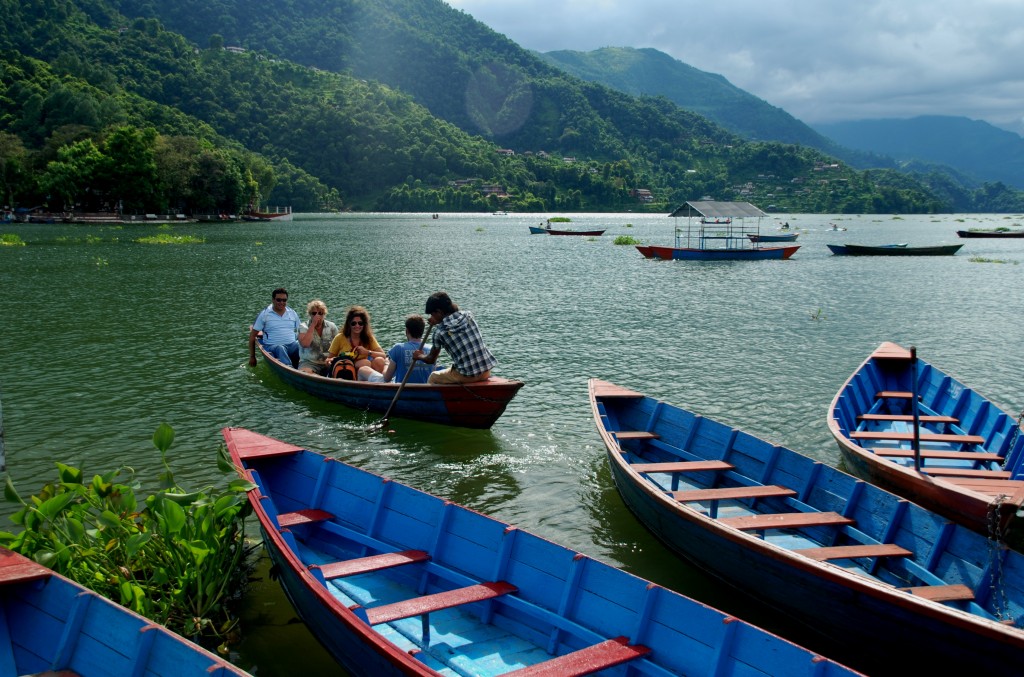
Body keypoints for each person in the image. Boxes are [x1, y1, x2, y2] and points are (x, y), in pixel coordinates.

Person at [414, 291, 496, 385]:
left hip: (467, 376)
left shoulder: (439, 332)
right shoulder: (468, 315)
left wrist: (419, 356)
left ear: (439, 312)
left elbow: (431, 360)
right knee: (451, 369)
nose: (431, 317)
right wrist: (438, 320)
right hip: (486, 371)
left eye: (432, 314)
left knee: (433, 377)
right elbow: (454, 313)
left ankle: (434, 399)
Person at [358, 314, 440, 383]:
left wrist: (386, 363)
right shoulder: (431, 349)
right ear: (422, 331)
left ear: (407, 331)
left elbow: (387, 378)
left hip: (400, 390)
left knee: (363, 369)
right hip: (424, 390)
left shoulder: (398, 348)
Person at [327, 305, 387, 375]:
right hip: (346, 370)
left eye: (360, 323)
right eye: (353, 323)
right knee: (365, 362)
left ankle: (378, 383)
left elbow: (383, 355)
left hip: (365, 371)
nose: (357, 326)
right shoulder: (340, 337)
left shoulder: (368, 338)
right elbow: (329, 359)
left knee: (379, 360)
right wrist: (330, 361)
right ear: (349, 324)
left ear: (364, 325)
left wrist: (367, 352)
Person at [248, 288, 300, 368]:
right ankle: (289, 368)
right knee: (280, 348)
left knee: (301, 344)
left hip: (291, 345)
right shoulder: (265, 314)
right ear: (273, 300)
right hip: (272, 346)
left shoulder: (292, 313)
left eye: (284, 300)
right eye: (278, 300)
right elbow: (252, 336)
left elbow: (301, 331)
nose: (281, 302)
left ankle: (307, 366)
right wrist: (252, 356)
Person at [297, 299, 339, 375]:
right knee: (305, 373)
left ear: (324, 314)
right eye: (314, 313)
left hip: (328, 361)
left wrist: (332, 359)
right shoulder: (303, 327)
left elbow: (338, 346)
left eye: (320, 313)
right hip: (309, 362)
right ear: (310, 315)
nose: (317, 316)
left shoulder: (332, 327)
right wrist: (313, 325)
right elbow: (305, 344)